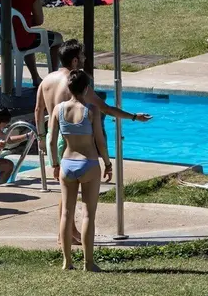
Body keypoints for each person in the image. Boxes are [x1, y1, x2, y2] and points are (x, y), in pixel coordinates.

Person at [35, 39, 151, 245]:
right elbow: (105, 108)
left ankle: (67, 233)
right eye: (82, 56)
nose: (85, 59)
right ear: (73, 60)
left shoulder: (46, 80)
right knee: (75, 193)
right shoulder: (76, 83)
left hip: (55, 135)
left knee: (66, 190)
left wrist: (42, 138)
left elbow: (38, 111)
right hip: (72, 139)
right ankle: (68, 235)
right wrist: (133, 116)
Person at [49, 70, 111, 272]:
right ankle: (88, 262)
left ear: (69, 88)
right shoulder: (91, 110)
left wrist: (55, 165)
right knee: (88, 215)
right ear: (86, 88)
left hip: (67, 162)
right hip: (89, 163)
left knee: (66, 213)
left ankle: (67, 261)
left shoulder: (58, 109)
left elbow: (51, 140)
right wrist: (108, 163)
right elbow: (100, 141)